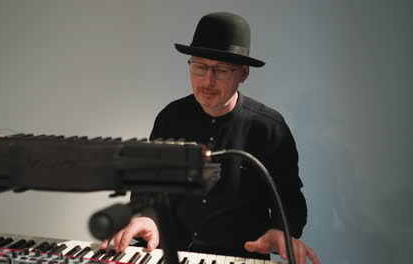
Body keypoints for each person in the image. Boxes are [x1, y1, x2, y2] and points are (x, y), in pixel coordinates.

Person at [101, 12, 320, 264]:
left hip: (239, 257)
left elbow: (290, 200)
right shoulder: (170, 117)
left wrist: (280, 231)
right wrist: (147, 217)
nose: (208, 80)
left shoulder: (269, 127)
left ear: (243, 74)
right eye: (200, 66)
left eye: (222, 70)